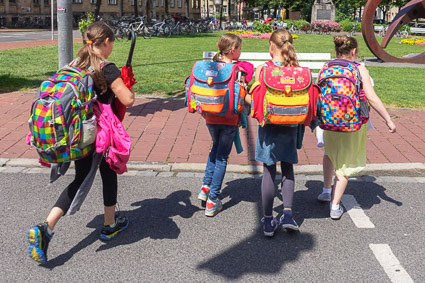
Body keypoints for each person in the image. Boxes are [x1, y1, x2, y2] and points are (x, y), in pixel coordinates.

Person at [27, 22, 135, 265]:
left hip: (77, 134)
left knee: (80, 178)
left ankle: (46, 227)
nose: (112, 47)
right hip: (99, 133)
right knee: (109, 173)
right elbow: (127, 99)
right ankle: (109, 226)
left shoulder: (74, 64)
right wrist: (127, 84)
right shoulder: (107, 68)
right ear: (105, 42)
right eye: (112, 43)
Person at [319, 36, 396, 219]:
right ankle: (335, 206)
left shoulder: (326, 67)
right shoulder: (359, 69)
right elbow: (371, 98)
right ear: (354, 52)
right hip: (352, 122)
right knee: (346, 163)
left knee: (329, 154)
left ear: (337, 50)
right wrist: (388, 119)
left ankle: (325, 190)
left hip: (328, 120)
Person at [245, 29, 303, 237]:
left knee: (269, 170)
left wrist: (244, 95)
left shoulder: (263, 70)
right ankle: (288, 214)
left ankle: (268, 221)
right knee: (287, 169)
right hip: (291, 125)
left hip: (268, 125)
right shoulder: (298, 70)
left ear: (271, 46)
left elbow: (253, 100)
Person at [197, 33, 252, 217]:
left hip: (210, 116)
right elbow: (248, 78)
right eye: (240, 48)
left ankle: (205, 188)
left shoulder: (211, 67)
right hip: (229, 118)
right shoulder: (237, 71)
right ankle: (213, 200)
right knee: (222, 157)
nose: (241, 51)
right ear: (232, 50)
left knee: (214, 150)